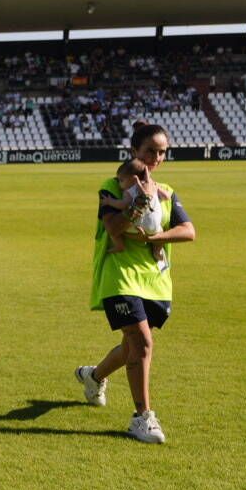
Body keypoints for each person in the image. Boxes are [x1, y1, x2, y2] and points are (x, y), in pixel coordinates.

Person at [75, 122, 196, 444]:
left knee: (132, 346)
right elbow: (114, 228)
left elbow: (188, 231)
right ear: (134, 152)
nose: (156, 158)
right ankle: (142, 417)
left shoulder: (167, 191)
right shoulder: (115, 184)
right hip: (119, 275)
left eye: (162, 152)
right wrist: (139, 202)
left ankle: (93, 376)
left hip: (155, 279)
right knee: (142, 343)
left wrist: (158, 236)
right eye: (150, 151)